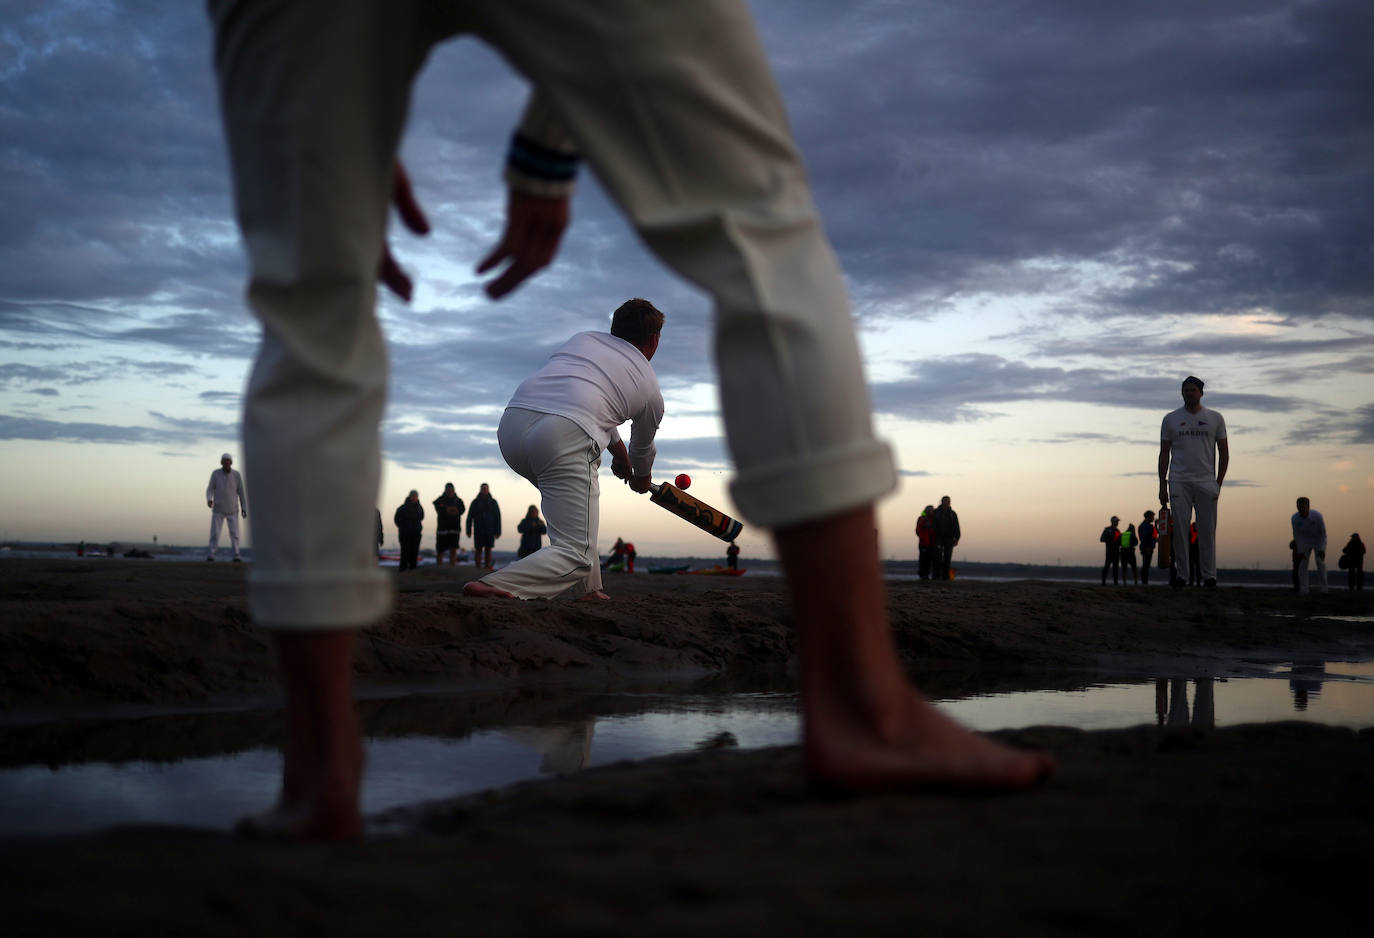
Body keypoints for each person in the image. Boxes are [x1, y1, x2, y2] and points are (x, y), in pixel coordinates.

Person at [208, 0, 1051, 840]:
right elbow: (636, 444)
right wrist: (547, 144)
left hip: (515, 424)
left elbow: (584, 403)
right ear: (651, 340)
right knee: (763, 235)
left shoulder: (582, 341)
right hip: (570, 431)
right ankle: (864, 713)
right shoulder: (646, 385)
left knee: (312, 296)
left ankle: (319, 766)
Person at [1158, 376, 1229, 589]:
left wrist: (1218, 482)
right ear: (1182, 393)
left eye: (1193, 390)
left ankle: (1209, 576)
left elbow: (1224, 453)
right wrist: (1162, 484)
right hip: (1179, 480)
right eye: (1186, 390)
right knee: (1180, 531)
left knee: (1207, 531)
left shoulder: (1215, 418)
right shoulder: (1170, 419)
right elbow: (1164, 453)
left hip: (1206, 481)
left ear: (1201, 393)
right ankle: (1182, 576)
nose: (1190, 393)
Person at [206, 452, 249, 562]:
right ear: (222, 462)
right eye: (224, 461)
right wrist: (209, 499)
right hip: (218, 509)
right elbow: (210, 489)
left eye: (228, 461)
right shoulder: (215, 474)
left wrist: (244, 508)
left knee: (235, 534)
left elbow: (241, 493)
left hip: (232, 510)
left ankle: (236, 555)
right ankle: (211, 554)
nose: (226, 463)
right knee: (214, 533)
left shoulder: (236, 475)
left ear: (231, 462)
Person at [1290, 497, 1328, 595]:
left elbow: (1323, 533)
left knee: (1320, 562)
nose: (1301, 510)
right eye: (1299, 507)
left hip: (1318, 539)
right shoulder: (1294, 518)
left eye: (1303, 507)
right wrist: (1300, 551)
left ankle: (1324, 588)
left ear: (1308, 507)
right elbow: (1296, 535)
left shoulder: (1317, 516)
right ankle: (1304, 589)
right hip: (1304, 541)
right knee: (1302, 564)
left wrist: (1322, 549)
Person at [466, 483, 501, 569]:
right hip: (478, 529)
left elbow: (498, 517)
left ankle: (487, 566)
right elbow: (469, 517)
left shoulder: (493, 502)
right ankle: (477, 566)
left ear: (488, 490)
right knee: (478, 549)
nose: (484, 490)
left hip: (490, 530)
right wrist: (468, 530)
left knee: (488, 549)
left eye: (485, 488)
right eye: (483, 488)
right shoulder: (475, 502)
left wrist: (498, 531)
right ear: (480, 490)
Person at [433, 483, 466, 565]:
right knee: (440, 549)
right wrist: (447, 509)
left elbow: (462, 510)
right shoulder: (440, 500)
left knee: (453, 549)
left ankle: (453, 567)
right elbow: (436, 505)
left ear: (454, 490)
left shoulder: (458, 501)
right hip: (442, 529)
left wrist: (451, 509)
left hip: (454, 529)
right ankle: (439, 568)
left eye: (451, 490)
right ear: (445, 490)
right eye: (448, 490)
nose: (450, 492)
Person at [931, 496, 961, 581]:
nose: (947, 503)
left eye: (948, 501)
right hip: (938, 538)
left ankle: (946, 576)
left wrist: (957, 538)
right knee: (937, 557)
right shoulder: (935, 512)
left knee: (947, 558)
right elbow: (924, 514)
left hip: (949, 539)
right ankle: (936, 576)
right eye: (945, 501)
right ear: (942, 502)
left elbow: (956, 526)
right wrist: (924, 514)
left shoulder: (953, 514)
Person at [393, 490, 424, 571]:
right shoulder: (402, 508)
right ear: (410, 497)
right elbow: (396, 520)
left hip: (416, 533)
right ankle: (403, 569)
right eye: (413, 496)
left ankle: (413, 568)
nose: (414, 498)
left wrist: (418, 528)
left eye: (415, 496)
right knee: (405, 551)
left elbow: (421, 517)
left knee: (414, 551)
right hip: (405, 533)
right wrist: (403, 527)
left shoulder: (420, 508)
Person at [914, 505, 935, 580]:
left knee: (930, 560)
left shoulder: (934, 519)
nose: (930, 512)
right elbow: (918, 530)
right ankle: (923, 575)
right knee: (923, 560)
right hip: (923, 543)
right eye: (929, 510)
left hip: (932, 543)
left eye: (931, 510)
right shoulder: (921, 518)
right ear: (926, 510)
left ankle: (927, 574)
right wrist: (922, 537)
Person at [1099, 516, 1121, 585]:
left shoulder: (1118, 531)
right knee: (1106, 567)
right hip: (1109, 552)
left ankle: (1115, 582)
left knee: (1115, 568)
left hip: (1116, 552)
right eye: (1116, 521)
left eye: (1117, 521)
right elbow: (1102, 539)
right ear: (1113, 522)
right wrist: (1110, 539)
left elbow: (1119, 541)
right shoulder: (1107, 529)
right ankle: (1103, 582)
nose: (1117, 523)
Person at [1138, 510, 1157, 585]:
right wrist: (1147, 547)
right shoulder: (1145, 526)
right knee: (1146, 565)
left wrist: (1155, 526)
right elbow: (1146, 537)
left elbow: (1154, 535)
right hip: (1147, 547)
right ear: (1148, 517)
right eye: (1152, 516)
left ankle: (1144, 581)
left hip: (1147, 547)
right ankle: (1144, 582)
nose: (1153, 518)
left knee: (1146, 565)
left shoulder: (1145, 525)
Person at [1188, 522, 1201, 587]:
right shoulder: (1194, 534)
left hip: (1196, 553)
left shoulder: (1195, 534)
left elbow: (1192, 541)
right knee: (1192, 568)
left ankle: (1197, 582)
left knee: (1196, 568)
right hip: (1193, 552)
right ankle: (1192, 582)